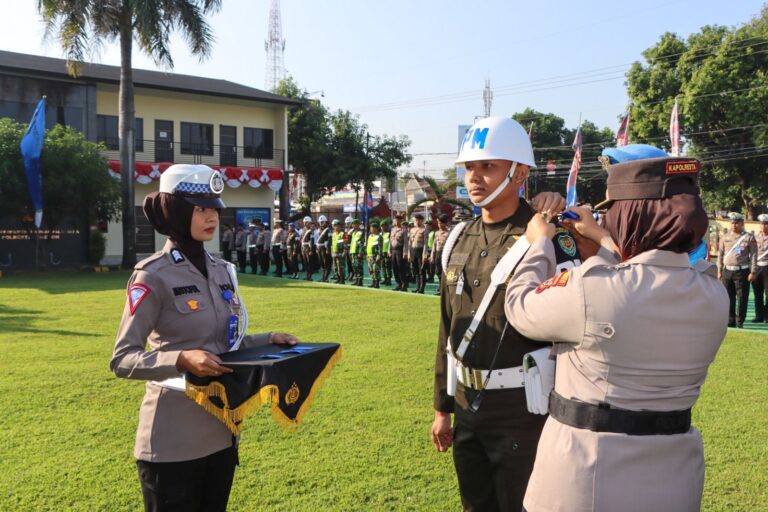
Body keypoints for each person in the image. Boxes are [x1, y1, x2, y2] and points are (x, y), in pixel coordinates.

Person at [504, 150, 728, 512]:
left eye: (613, 211)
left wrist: (539, 243)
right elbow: (641, 276)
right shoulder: (713, 294)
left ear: (631, 214)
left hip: (588, 478)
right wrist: (604, 243)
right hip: (675, 477)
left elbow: (520, 307)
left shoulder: (592, 289)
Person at [110, 164, 300, 512]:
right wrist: (181, 359)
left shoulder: (221, 270)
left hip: (221, 431)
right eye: (200, 209)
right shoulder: (152, 275)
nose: (212, 217)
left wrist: (268, 339)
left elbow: (224, 347)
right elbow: (123, 359)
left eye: (214, 209)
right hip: (172, 441)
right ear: (175, 211)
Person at [431, 116, 579, 512]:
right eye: (469, 167)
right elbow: (447, 331)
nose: (474, 177)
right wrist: (442, 408)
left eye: (488, 166)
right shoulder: (457, 238)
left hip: (524, 410)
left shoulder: (549, 236)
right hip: (467, 406)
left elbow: (573, 327)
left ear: (519, 173)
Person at [717, 212, 757, 327]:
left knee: (742, 297)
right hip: (727, 271)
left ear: (742, 223)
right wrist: (719, 270)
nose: (734, 225)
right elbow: (720, 255)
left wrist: (753, 271)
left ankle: (740, 321)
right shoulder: (725, 237)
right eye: (732, 223)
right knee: (728, 297)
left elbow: (754, 255)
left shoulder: (749, 237)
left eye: (736, 223)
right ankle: (730, 320)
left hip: (742, 271)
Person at [752, 213, 768, 323]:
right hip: (757, 267)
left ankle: (767, 316)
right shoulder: (755, 238)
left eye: (766, 224)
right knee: (757, 293)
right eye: (762, 224)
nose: (763, 226)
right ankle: (759, 316)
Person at [409, 213, 430, 293]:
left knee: (422, 270)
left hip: (421, 251)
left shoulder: (424, 230)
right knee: (416, 270)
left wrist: (424, 255)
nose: (416, 222)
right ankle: (417, 287)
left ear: (421, 220)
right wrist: (409, 253)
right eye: (415, 220)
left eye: (418, 220)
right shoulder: (412, 230)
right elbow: (410, 243)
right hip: (413, 251)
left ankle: (422, 288)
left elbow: (425, 244)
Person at [431, 214, 451, 295]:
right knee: (438, 271)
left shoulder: (448, 233)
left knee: (445, 272)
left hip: (445, 254)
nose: (438, 224)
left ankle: (446, 289)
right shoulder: (437, 233)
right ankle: (441, 287)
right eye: (438, 223)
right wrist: (432, 255)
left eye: (440, 223)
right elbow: (434, 244)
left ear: (444, 223)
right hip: (438, 254)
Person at [389, 213, 409, 291]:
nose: (397, 221)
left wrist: (405, 253)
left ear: (401, 221)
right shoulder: (393, 229)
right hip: (393, 250)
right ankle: (398, 284)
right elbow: (391, 241)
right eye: (396, 220)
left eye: (398, 220)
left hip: (400, 250)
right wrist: (389, 250)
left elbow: (406, 242)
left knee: (401, 268)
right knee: (395, 268)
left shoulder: (404, 230)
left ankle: (404, 284)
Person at [366, 221, 384, 288]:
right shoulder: (370, 236)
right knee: (370, 270)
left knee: (376, 270)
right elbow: (368, 245)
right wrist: (366, 254)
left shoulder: (379, 237)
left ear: (376, 228)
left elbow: (380, 248)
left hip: (375, 256)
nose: (371, 229)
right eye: (371, 228)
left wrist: (379, 256)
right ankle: (373, 282)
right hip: (369, 255)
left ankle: (377, 283)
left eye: (373, 228)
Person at [349, 219, 365, 286]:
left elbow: (361, 243)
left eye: (355, 224)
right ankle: (356, 279)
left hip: (357, 252)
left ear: (358, 225)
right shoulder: (353, 233)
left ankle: (360, 281)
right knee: (354, 267)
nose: (354, 225)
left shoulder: (360, 233)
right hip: (353, 252)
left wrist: (360, 252)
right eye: (353, 224)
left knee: (359, 267)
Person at [316, 215, 332, 282]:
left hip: (325, 248)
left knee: (326, 263)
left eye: (322, 222)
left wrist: (328, 249)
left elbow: (329, 240)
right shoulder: (319, 229)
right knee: (322, 263)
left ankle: (326, 278)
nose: (321, 223)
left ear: (325, 222)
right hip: (319, 248)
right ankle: (323, 277)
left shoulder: (328, 230)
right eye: (320, 222)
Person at [300, 216, 316, 281]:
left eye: (306, 222)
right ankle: (307, 275)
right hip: (303, 247)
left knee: (309, 262)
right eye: (304, 222)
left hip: (308, 247)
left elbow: (311, 240)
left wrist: (311, 250)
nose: (305, 223)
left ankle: (310, 276)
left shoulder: (311, 230)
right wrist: (301, 248)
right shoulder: (303, 229)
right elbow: (301, 239)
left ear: (309, 223)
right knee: (305, 262)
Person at [331, 219, 346, 284]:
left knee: (341, 267)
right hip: (334, 252)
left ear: (340, 226)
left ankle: (342, 280)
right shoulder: (333, 234)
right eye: (335, 226)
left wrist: (344, 252)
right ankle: (338, 278)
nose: (336, 227)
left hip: (340, 253)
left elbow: (345, 244)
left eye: (337, 225)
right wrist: (332, 252)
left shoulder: (344, 234)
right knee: (335, 267)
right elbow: (332, 244)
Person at [380, 218, 393, 286]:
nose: (383, 227)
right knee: (383, 266)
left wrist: (390, 251)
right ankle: (385, 278)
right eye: (382, 226)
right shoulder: (380, 234)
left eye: (384, 226)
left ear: (387, 226)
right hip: (381, 252)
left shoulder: (389, 234)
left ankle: (389, 280)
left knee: (388, 266)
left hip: (387, 252)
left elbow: (391, 243)